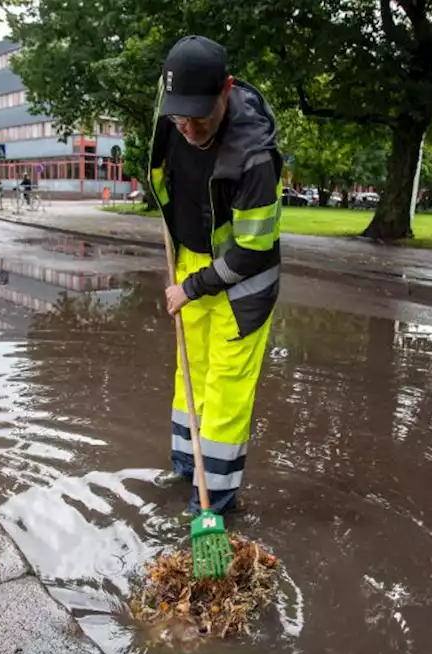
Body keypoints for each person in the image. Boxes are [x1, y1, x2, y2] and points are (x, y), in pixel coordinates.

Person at [146, 35, 282, 515]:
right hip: (189, 261)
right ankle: (187, 470)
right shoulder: (173, 115)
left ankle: (215, 499)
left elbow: (251, 252)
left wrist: (192, 287)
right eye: (178, 114)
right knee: (190, 374)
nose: (185, 126)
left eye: (197, 117)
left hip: (242, 284)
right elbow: (165, 172)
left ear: (225, 90)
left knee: (223, 389)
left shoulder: (255, 158)